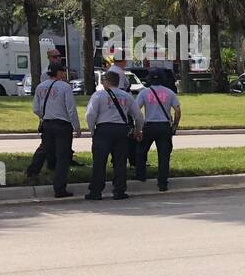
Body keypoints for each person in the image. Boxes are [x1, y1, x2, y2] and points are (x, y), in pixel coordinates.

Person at [84, 70, 143, 201]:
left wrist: (92, 130)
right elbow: (138, 116)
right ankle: (119, 190)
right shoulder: (126, 96)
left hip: (103, 130)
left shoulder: (98, 95)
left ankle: (95, 191)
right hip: (121, 130)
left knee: (99, 162)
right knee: (120, 162)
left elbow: (90, 115)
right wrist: (138, 130)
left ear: (106, 81)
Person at [25, 62, 80, 199]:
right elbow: (71, 109)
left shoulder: (40, 87)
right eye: (63, 71)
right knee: (63, 157)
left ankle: (32, 173)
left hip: (47, 124)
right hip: (62, 125)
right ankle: (59, 188)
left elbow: (36, 109)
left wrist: (45, 117)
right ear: (59, 73)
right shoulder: (65, 87)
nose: (64, 74)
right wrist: (77, 127)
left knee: (45, 149)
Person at [136, 69, 181, 191]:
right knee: (164, 155)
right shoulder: (169, 93)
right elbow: (177, 111)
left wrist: (138, 126)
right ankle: (162, 183)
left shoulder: (144, 93)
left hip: (149, 126)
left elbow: (136, 110)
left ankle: (141, 175)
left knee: (141, 151)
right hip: (164, 126)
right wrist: (175, 126)